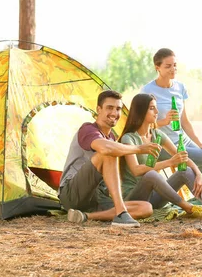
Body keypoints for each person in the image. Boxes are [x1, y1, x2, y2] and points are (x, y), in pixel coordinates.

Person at [99, 93, 202, 217]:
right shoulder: (129, 138)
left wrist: (199, 175)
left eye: (156, 108)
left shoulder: (157, 134)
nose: (157, 112)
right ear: (141, 111)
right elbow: (136, 170)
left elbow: (182, 156)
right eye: (152, 108)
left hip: (155, 197)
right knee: (151, 175)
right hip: (134, 198)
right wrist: (170, 162)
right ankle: (187, 207)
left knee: (185, 170)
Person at [58, 90, 159, 227]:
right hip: (72, 194)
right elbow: (106, 149)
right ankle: (121, 214)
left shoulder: (111, 138)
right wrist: (140, 148)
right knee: (109, 152)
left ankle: (85, 216)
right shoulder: (88, 129)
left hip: (96, 198)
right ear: (98, 109)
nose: (114, 113)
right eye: (109, 108)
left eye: (118, 109)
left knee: (146, 207)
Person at [141, 48, 202, 174]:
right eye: (168, 66)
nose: (173, 69)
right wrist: (164, 121)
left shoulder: (180, 87)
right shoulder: (147, 91)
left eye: (175, 65)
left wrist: (199, 143)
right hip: (165, 145)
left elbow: (184, 121)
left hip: (184, 140)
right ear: (157, 67)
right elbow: (142, 125)